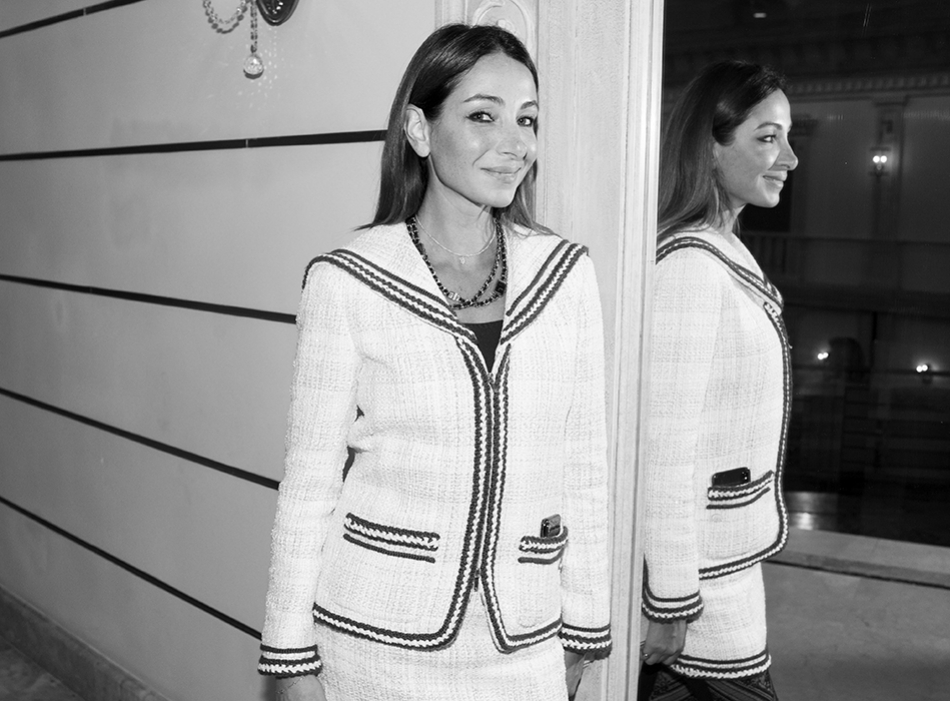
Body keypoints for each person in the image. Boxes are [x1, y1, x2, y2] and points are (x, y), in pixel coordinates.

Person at [257, 23, 612, 701]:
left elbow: (584, 466)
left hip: (526, 635)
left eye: (527, 119)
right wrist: (289, 653)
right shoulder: (348, 279)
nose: (515, 143)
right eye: (483, 116)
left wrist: (586, 625)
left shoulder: (566, 275)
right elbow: (309, 482)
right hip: (375, 637)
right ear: (420, 130)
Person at [638, 60, 798, 701]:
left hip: (725, 568)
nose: (790, 158)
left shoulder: (724, 248)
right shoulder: (689, 266)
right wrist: (671, 596)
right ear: (709, 145)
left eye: (788, 137)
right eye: (767, 137)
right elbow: (665, 445)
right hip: (700, 583)